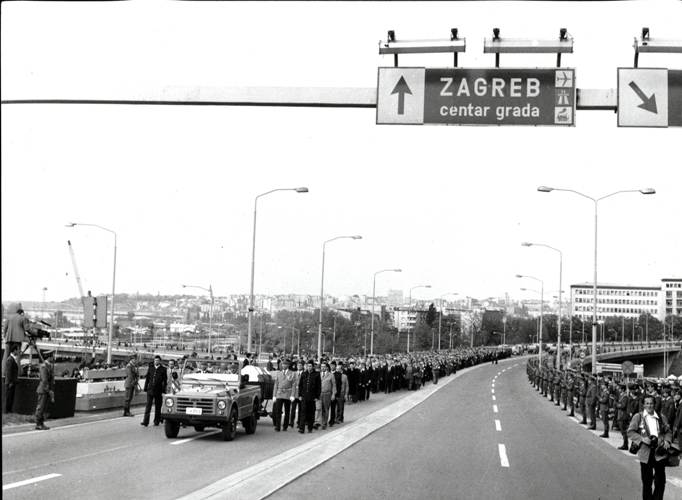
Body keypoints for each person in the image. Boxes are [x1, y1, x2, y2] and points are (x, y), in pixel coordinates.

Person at [628, 395, 673, 500]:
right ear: (643, 405)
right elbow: (630, 432)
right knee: (647, 482)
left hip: (659, 452)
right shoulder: (638, 417)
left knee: (660, 481)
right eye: (647, 403)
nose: (649, 405)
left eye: (651, 403)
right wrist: (642, 439)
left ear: (654, 404)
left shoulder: (661, 417)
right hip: (645, 453)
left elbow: (668, 432)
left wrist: (667, 440)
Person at [141, 355, 167, 427]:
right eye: (155, 360)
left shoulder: (163, 369)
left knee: (158, 406)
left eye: (158, 360)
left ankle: (156, 421)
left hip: (158, 390)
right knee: (148, 406)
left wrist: (163, 390)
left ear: (160, 361)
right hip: (150, 390)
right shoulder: (151, 368)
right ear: (154, 361)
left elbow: (165, 381)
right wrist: (145, 388)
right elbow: (147, 379)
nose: (156, 362)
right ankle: (145, 421)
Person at [3, 303, 30, 369]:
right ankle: (17, 374)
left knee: (6, 356)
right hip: (18, 340)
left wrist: (4, 335)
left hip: (9, 339)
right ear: (22, 313)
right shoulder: (22, 318)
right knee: (17, 357)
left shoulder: (9, 317)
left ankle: (3, 372)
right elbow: (27, 329)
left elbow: (5, 328)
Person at [272, 359, 296, 432]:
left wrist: (292, 395)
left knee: (287, 411)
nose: (283, 366)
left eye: (285, 364)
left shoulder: (292, 373)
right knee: (278, 411)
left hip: (288, 393)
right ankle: (277, 426)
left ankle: (285, 426)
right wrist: (274, 395)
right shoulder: (279, 373)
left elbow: (294, 385)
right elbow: (276, 384)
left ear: (288, 365)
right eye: (283, 364)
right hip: (279, 393)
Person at [297, 359, 320, 433]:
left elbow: (318, 387)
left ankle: (310, 427)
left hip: (312, 397)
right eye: (308, 366)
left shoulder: (316, 374)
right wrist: (299, 395)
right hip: (304, 396)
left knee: (311, 413)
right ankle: (301, 428)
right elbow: (300, 385)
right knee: (303, 412)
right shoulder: (303, 374)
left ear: (313, 367)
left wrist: (317, 397)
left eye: (310, 366)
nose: (309, 367)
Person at [35, 351, 55, 430]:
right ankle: (38, 423)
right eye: (52, 356)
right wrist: (48, 390)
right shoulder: (44, 366)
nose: (53, 358)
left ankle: (41, 423)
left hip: (46, 390)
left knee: (43, 408)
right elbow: (44, 380)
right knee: (40, 407)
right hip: (43, 389)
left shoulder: (49, 366)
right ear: (49, 357)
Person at [319, 362, 336, 429]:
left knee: (326, 409)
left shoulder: (331, 375)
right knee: (319, 408)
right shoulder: (319, 374)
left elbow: (334, 386)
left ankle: (324, 423)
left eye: (324, 366)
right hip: (320, 394)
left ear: (326, 367)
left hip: (327, 394)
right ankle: (319, 422)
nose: (322, 368)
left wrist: (333, 394)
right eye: (321, 366)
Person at [4, 344, 20, 413]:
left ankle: (9, 410)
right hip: (10, 382)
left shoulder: (12, 359)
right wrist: (10, 382)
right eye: (18, 350)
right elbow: (9, 372)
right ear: (14, 350)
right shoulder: (10, 359)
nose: (18, 351)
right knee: (9, 397)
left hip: (12, 382)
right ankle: (7, 411)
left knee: (11, 397)